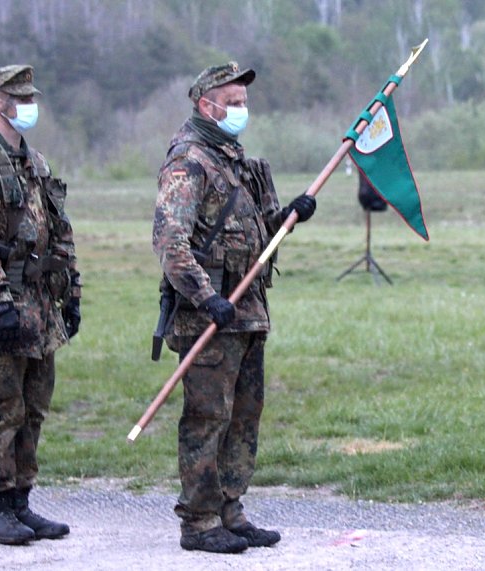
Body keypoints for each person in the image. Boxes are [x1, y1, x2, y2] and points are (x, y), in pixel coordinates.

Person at [152, 61, 316, 554]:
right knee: (207, 417)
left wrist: (288, 214)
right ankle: (199, 522)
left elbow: (259, 228)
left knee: (244, 414)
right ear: (207, 105)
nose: (242, 109)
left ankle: (231, 508)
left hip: (248, 312)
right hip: (207, 315)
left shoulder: (239, 161)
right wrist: (207, 297)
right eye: (234, 101)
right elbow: (169, 239)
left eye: (245, 101)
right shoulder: (189, 161)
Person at [0, 65, 81, 545]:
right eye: (19, 97)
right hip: (3, 308)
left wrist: (71, 293)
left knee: (34, 408)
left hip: (41, 307)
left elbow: (60, 230)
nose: (29, 105)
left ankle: (22, 502)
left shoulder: (37, 163)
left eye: (30, 96)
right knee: (2, 408)